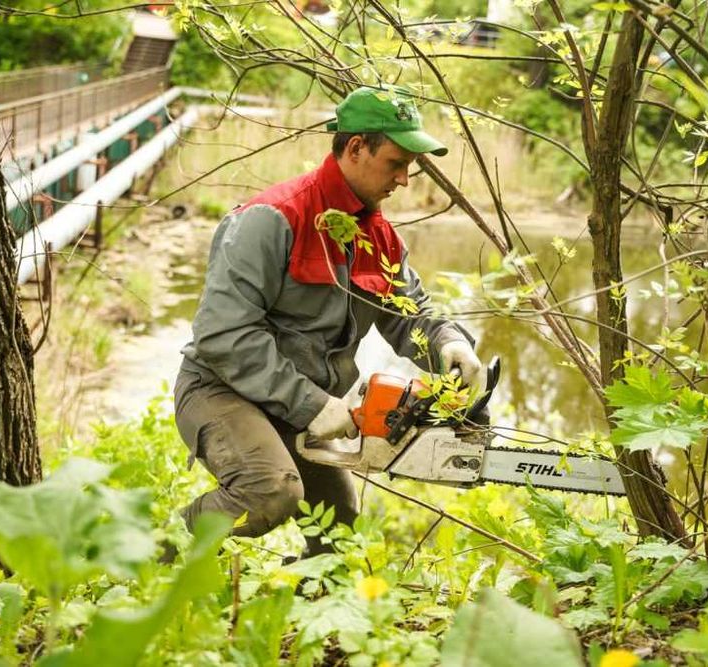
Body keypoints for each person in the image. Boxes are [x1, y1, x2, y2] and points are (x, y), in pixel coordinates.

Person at [173, 85, 485, 554]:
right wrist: (314, 406)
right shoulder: (271, 219)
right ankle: (145, 552)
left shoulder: (375, 235)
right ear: (356, 147)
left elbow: (408, 311)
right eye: (396, 163)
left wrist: (448, 344)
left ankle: (305, 615)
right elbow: (223, 335)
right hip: (222, 390)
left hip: (301, 402)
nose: (404, 179)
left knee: (338, 521)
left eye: (409, 168)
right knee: (270, 491)